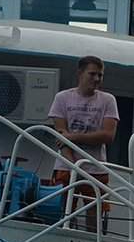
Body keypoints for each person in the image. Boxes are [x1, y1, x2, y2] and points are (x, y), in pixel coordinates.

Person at [46, 56, 118, 230]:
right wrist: (73, 165)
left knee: (94, 213)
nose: (97, 79)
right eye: (92, 74)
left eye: (100, 75)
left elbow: (108, 135)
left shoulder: (108, 100)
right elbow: (61, 138)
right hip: (65, 166)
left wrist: (73, 137)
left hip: (95, 166)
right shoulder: (62, 98)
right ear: (80, 73)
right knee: (62, 210)